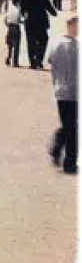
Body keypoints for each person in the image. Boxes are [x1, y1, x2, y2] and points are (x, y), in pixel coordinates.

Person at [47, 16, 80, 175]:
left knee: (67, 124)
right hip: (74, 92)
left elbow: (49, 60)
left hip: (59, 90)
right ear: (72, 27)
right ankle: (69, 163)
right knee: (74, 130)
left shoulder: (54, 44)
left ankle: (57, 147)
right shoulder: (77, 47)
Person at [20, 0, 57, 70]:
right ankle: (39, 60)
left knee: (31, 41)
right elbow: (47, 3)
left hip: (30, 20)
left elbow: (22, 8)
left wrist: (23, 16)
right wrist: (53, 12)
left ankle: (33, 62)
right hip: (41, 19)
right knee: (43, 39)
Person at [4, 0, 23, 67]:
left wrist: (8, 25)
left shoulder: (10, 9)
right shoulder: (19, 9)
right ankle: (15, 62)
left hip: (10, 27)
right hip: (16, 27)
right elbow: (20, 19)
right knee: (16, 45)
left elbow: (5, 19)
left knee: (10, 45)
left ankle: (8, 58)